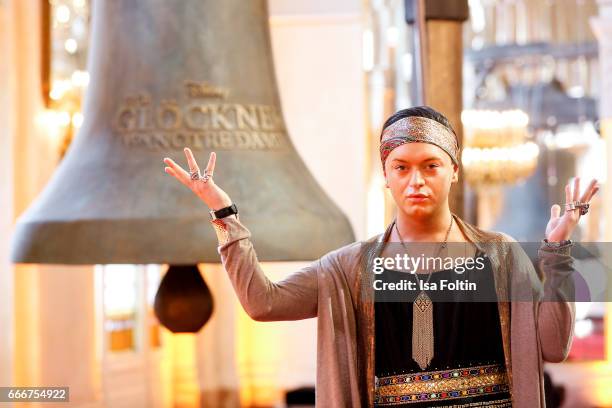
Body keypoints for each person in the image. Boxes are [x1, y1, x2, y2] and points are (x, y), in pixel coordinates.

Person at [162, 106, 599, 407]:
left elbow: (552, 346)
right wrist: (224, 215)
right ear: (386, 177)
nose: (417, 181)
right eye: (402, 167)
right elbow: (264, 302)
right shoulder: (348, 267)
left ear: (454, 171)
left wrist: (557, 253)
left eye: (431, 165)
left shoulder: (500, 256)